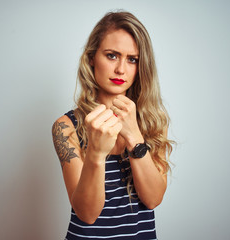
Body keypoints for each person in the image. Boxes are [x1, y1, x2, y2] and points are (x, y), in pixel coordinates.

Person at [52, 11, 173, 240]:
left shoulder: (154, 123)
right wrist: (96, 153)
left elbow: (153, 198)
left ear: (140, 66)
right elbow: (86, 214)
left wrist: (134, 137)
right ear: (91, 58)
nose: (121, 69)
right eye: (111, 55)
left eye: (132, 59)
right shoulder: (66, 126)